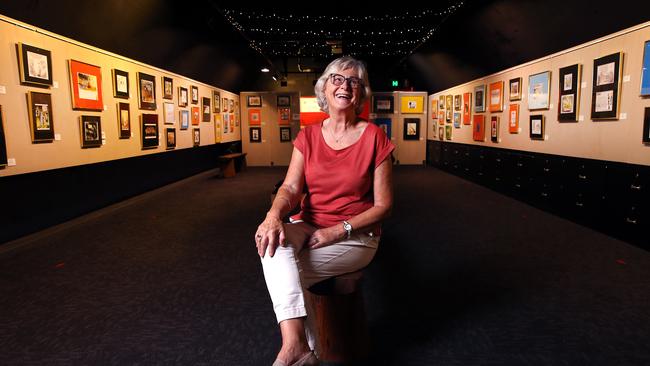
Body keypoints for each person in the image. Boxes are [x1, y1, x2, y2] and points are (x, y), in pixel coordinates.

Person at [255, 56, 394, 366]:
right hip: (309, 225)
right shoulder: (308, 136)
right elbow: (290, 189)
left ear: (360, 94)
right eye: (337, 79)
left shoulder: (375, 137)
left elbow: (384, 206)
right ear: (325, 89)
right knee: (271, 244)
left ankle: (307, 353)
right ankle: (297, 346)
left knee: (289, 274)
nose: (345, 85)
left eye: (354, 82)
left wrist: (338, 229)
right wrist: (273, 215)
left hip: (356, 236)